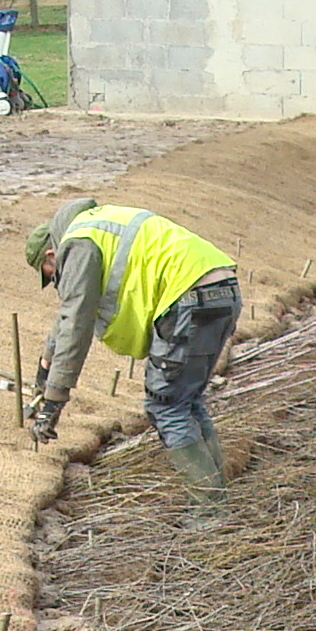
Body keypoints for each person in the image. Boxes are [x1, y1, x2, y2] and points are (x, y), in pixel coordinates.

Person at [23, 197, 242, 510]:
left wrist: (55, 399)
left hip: (186, 297)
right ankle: (217, 497)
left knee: (166, 406)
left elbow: (76, 322)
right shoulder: (97, 225)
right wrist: (45, 368)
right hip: (221, 288)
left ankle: (210, 511)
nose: (56, 280)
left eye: (50, 273)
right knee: (186, 400)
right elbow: (68, 315)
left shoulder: (76, 244)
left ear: (50, 254)